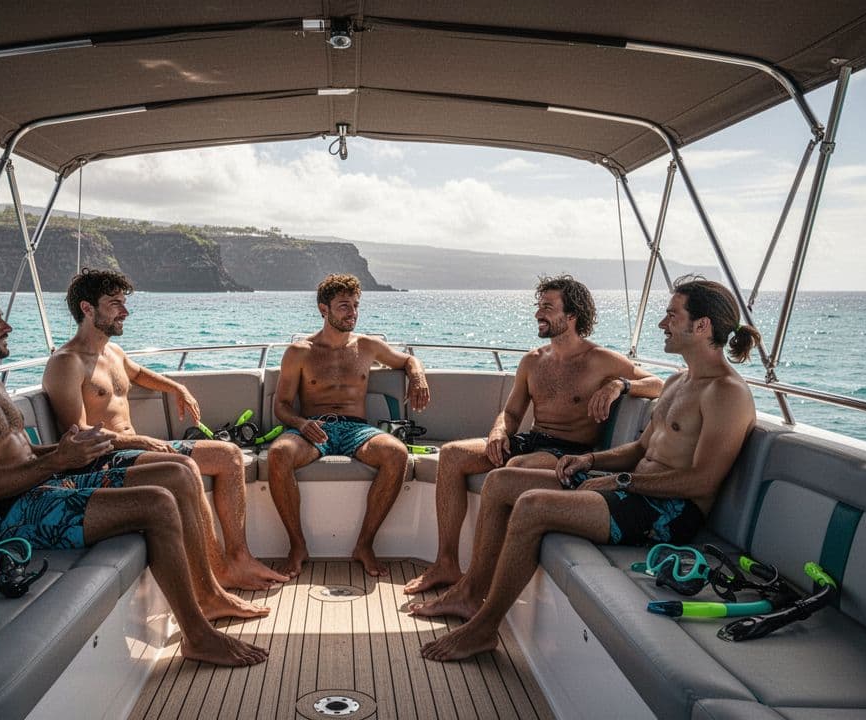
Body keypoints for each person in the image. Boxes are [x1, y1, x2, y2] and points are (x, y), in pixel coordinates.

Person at [0, 277, 268, 667]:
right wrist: (57, 461)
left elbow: (25, 454)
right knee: (156, 503)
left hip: (43, 485)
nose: (7, 326)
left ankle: (209, 595)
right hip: (7, 515)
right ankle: (198, 636)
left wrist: (65, 453)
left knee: (179, 475)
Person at [413, 277, 759, 662]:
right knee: (500, 481)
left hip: (670, 511)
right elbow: (641, 448)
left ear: (702, 326)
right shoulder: (679, 382)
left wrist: (623, 479)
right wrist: (592, 461)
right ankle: (468, 593)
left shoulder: (727, 393)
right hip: (630, 491)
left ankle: (484, 628)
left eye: (671, 315)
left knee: (532, 506)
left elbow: (702, 480)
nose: (663, 323)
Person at [404, 275, 662, 594]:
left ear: (572, 316)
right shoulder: (532, 361)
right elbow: (512, 413)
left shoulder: (601, 361)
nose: (539, 313)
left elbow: (657, 384)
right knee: (454, 454)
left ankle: (481, 581)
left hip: (567, 451)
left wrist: (619, 385)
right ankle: (446, 564)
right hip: (531, 439)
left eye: (548, 307)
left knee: (516, 469)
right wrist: (499, 431)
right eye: (539, 306)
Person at [43, 269, 287, 591]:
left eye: (124, 303)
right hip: (102, 460)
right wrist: (139, 439)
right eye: (115, 304)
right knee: (183, 467)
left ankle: (239, 558)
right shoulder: (67, 363)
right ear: (87, 309)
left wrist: (176, 388)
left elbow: (139, 373)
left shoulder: (112, 352)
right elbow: (80, 435)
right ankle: (216, 571)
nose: (125, 312)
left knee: (229, 455)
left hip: (134, 449)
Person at [268, 273, 431, 578]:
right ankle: (297, 545)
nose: (352, 312)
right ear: (323, 309)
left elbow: (408, 360)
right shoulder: (300, 352)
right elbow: (281, 405)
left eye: (356, 305)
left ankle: (365, 545)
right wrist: (301, 424)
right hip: (314, 428)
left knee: (396, 454)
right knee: (279, 454)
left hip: (357, 429)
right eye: (344, 305)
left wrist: (418, 377)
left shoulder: (369, 346)